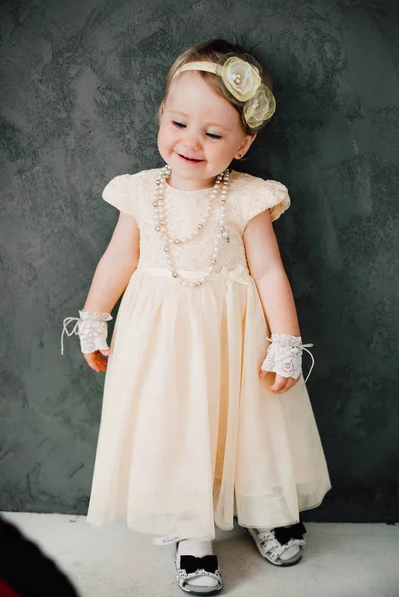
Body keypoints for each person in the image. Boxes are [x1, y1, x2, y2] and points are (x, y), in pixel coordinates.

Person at [61, 39, 331, 595]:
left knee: (248, 424)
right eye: (180, 122)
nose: (191, 142)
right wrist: (94, 317)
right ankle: (192, 533)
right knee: (175, 426)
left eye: (213, 134)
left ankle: (262, 507)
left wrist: (285, 341)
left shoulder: (247, 197)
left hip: (233, 339)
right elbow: (118, 259)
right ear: (161, 116)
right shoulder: (140, 191)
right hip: (160, 343)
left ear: (244, 142)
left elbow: (270, 272)